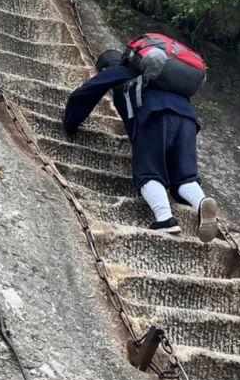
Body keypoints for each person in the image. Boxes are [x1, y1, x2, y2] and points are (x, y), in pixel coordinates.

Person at [63, 48, 219, 241]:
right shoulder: (161, 78)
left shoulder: (119, 71)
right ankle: (201, 202)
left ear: (105, 67)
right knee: (184, 176)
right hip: (187, 119)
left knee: (149, 171)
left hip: (154, 115)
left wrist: (69, 123)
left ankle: (165, 220)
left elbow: (86, 93)